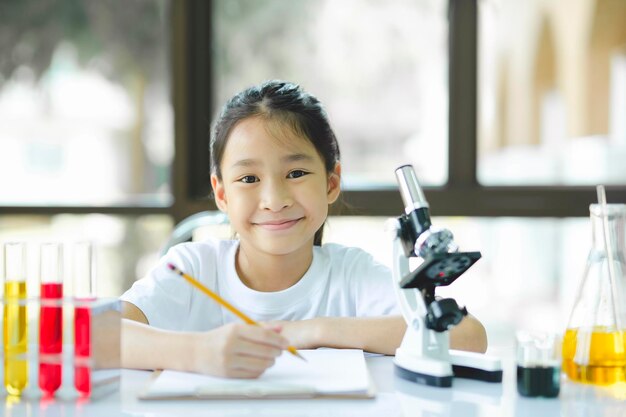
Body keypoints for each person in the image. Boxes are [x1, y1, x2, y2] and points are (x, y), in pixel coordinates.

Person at [120, 80, 487, 378]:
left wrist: (315, 331)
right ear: (222, 194)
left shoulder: (351, 274)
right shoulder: (192, 268)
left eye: (296, 173)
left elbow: (468, 336)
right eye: (248, 178)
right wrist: (200, 352)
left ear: (331, 183)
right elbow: (93, 334)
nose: (274, 199)